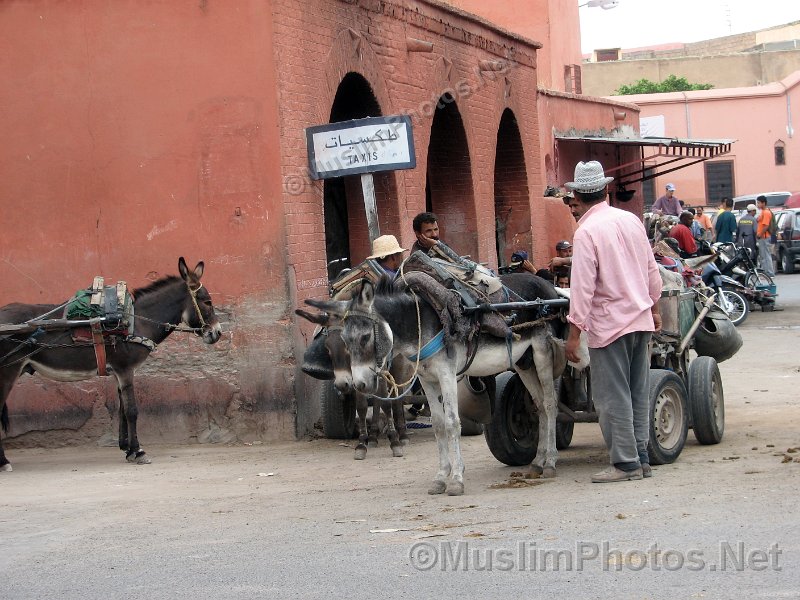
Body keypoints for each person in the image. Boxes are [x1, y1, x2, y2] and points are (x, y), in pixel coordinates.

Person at [563, 161, 662, 483]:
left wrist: (574, 333)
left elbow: (582, 288)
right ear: (605, 190)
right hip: (641, 319)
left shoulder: (587, 232)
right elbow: (652, 270)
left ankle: (625, 463)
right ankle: (641, 457)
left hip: (610, 326)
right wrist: (655, 308)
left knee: (611, 397)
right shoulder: (630, 220)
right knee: (637, 392)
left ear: (576, 195)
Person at [756, 195, 776, 277]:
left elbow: (766, 226)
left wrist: (760, 234)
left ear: (763, 203)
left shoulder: (766, 213)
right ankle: (765, 273)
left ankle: (769, 273)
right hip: (762, 237)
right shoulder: (763, 212)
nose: (757, 204)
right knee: (763, 255)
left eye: (759, 203)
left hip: (764, 237)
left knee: (766, 255)